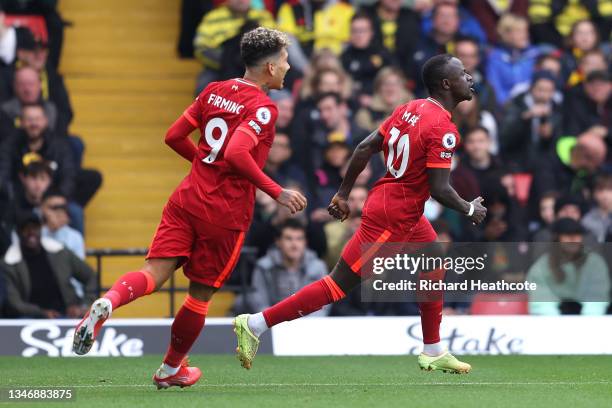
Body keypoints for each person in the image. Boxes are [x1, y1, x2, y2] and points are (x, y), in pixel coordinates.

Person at [71, 27, 306, 390]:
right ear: (271, 68)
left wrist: (203, 163)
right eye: (286, 60)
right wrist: (276, 191)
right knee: (200, 295)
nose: (289, 67)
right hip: (224, 213)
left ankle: (108, 301)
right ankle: (170, 368)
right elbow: (237, 153)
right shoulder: (262, 108)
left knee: (153, 272)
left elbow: (173, 136)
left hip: (187, 197)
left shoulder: (214, 90)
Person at [234, 54, 487, 373]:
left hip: (397, 205)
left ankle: (433, 348)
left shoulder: (408, 109)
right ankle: (256, 324)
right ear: (446, 84)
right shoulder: (443, 129)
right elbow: (439, 189)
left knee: (434, 257)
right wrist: (469, 208)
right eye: (462, 73)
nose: (469, 77)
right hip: (394, 215)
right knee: (337, 285)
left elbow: (365, 147)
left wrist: (342, 193)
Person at [1, 213, 95, 318]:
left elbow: (90, 276)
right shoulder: (9, 263)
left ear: (41, 229)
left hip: (68, 315)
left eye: (35, 227)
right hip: (29, 319)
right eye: (25, 229)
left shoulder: (59, 251)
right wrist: (42, 313)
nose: (31, 232)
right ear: (18, 233)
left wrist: (84, 305)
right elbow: (14, 302)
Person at [234, 219, 329, 314]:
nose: (294, 245)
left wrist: (304, 325)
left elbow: (323, 304)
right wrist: (275, 322)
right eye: (289, 238)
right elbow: (260, 302)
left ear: (305, 242)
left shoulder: (318, 267)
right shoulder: (264, 266)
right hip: (273, 323)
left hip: (308, 325)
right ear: (278, 242)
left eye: (299, 239)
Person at [527, 218, 610, 315]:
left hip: (589, 321)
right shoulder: (542, 266)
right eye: (568, 235)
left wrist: (587, 325)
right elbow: (541, 303)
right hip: (552, 321)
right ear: (557, 238)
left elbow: (597, 299)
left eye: (577, 235)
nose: (573, 240)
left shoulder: (595, 263)